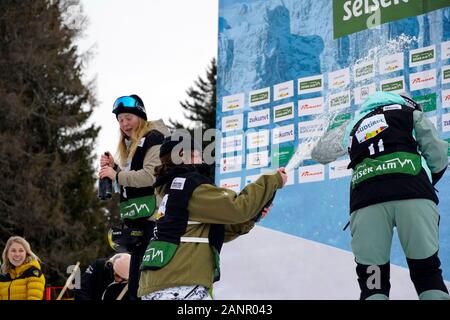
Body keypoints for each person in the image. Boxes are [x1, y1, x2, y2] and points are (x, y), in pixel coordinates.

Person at [311, 91, 450, 300]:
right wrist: (423, 183)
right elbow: (438, 156)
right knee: (427, 273)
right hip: (414, 195)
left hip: (366, 201)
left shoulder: (355, 123)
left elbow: (319, 154)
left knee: (373, 283)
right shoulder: (409, 112)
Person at [137, 136, 287, 300]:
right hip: (180, 285)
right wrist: (273, 179)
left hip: (161, 285)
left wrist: (252, 217)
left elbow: (211, 232)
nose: (203, 158)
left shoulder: (173, 189)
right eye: (198, 153)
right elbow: (238, 207)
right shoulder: (190, 186)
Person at [98, 94, 170, 300]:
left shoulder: (154, 138)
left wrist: (117, 174)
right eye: (120, 120)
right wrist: (115, 168)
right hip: (137, 221)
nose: (124, 124)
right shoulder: (131, 146)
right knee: (136, 286)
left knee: (147, 283)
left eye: (128, 118)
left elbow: (150, 176)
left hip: (152, 220)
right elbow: (131, 187)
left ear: (141, 116)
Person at [0, 236, 45, 300]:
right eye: (13, 251)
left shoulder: (33, 273)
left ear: (26, 254)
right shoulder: (3, 277)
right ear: (7, 254)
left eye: (21, 251)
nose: (17, 254)